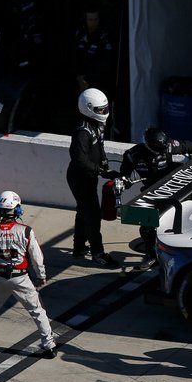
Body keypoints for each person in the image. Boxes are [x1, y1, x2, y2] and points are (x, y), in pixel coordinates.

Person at [0, 191, 57, 358]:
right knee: (38, 311)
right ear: (17, 210)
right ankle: (49, 345)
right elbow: (37, 257)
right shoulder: (26, 231)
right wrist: (41, 276)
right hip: (21, 278)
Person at [120, 127, 192, 270]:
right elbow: (124, 176)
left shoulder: (170, 145)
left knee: (189, 214)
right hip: (153, 192)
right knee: (147, 227)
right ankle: (152, 255)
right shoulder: (133, 155)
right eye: (159, 149)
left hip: (173, 187)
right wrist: (123, 181)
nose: (163, 151)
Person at [67, 87, 119, 268]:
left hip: (89, 176)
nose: (104, 113)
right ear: (88, 108)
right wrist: (101, 170)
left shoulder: (97, 125)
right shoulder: (82, 131)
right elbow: (79, 159)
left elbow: (100, 145)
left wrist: (104, 162)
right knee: (93, 215)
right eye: (100, 110)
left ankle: (79, 247)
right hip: (80, 178)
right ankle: (98, 253)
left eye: (105, 109)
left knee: (83, 210)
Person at [73, 5, 115, 98]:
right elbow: (75, 57)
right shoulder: (80, 35)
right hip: (80, 80)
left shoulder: (104, 37)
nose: (94, 22)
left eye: (96, 19)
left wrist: (87, 79)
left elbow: (106, 63)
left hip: (97, 82)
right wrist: (79, 77)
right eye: (90, 19)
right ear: (86, 20)